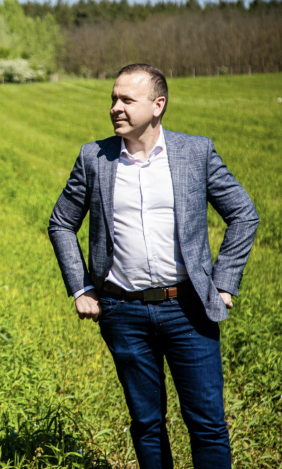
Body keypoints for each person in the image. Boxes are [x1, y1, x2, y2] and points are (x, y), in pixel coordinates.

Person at [48, 63, 258, 468]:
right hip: (122, 311)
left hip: (189, 309)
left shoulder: (195, 152)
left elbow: (243, 214)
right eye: (113, 98)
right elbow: (61, 223)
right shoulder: (94, 157)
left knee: (207, 425)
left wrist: (224, 282)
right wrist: (81, 287)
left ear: (157, 105)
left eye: (127, 99)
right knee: (146, 424)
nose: (116, 107)